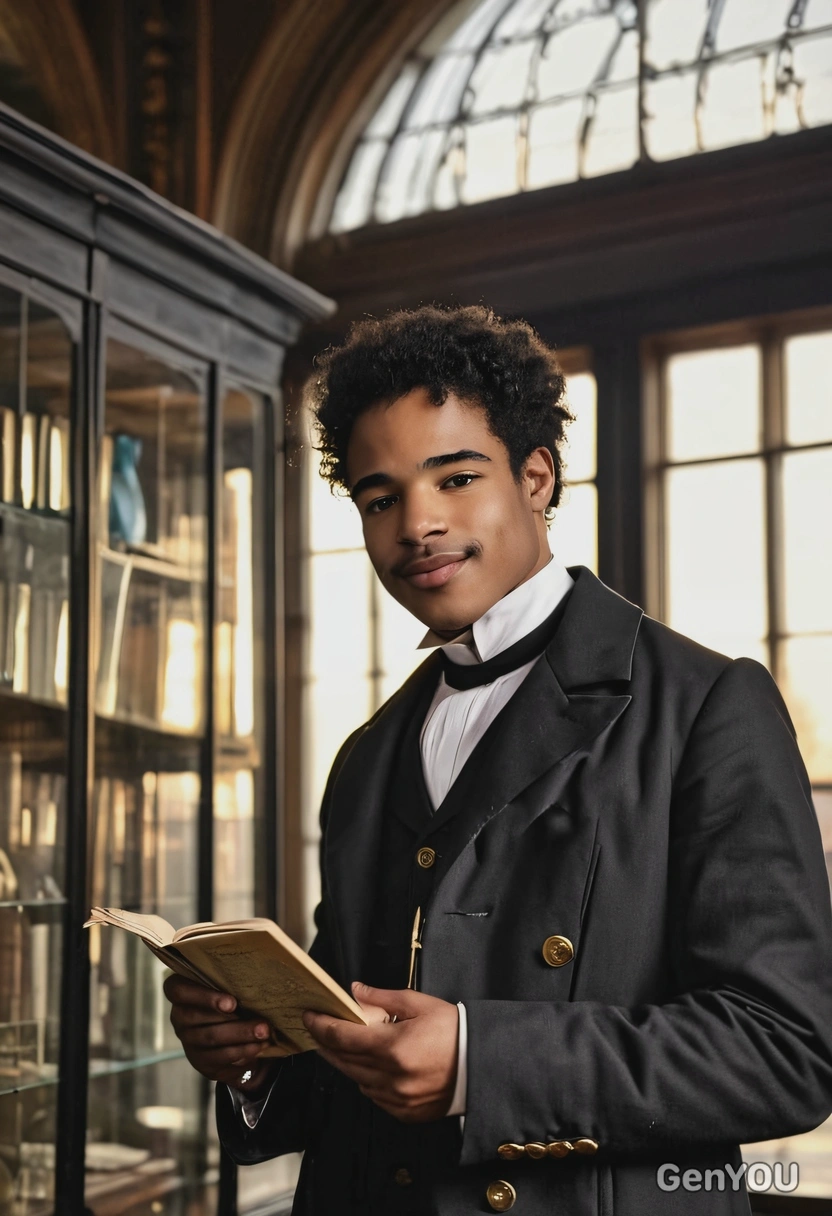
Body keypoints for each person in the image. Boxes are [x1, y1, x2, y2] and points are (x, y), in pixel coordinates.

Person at [164, 305, 832, 1215]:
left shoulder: (708, 705)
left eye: (456, 477)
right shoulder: (366, 757)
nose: (418, 524)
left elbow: (787, 1052)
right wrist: (256, 1061)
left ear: (535, 476)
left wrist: (484, 1064)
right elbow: (343, 1076)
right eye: (380, 497)